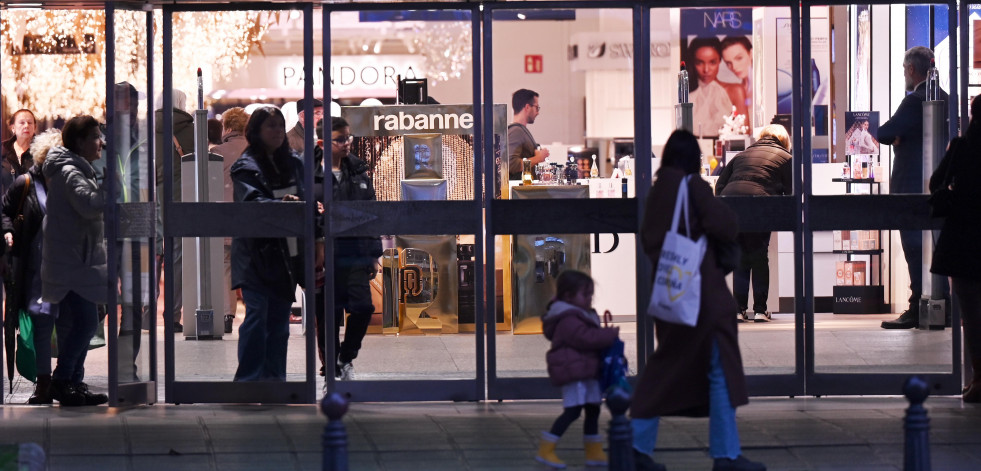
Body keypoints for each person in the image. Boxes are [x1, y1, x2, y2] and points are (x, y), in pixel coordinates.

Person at [632, 130, 764, 471]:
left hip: (672, 292)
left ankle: (636, 446)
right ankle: (726, 456)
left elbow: (650, 237)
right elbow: (726, 223)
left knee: (666, 366)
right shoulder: (691, 187)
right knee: (720, 372)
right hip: (703, 296)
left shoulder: (658, 190)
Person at [230, 106, 305, 381]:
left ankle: (275, 382)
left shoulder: (294, 163)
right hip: (256, 255)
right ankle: (248, 383)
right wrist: (283, 204)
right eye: (269, 126)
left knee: (279, 323)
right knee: (257, 317)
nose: (276, 131)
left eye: (279, 125)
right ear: (256, 131)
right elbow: (253, 205)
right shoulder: (246, 165)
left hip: (288, 253)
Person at [877, 46, 949, 329]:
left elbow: (883, 132)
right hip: (939, 186)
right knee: (937, 246)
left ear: (910, 69)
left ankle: (917, 305)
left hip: (910, 186)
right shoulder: (947, 98)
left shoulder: (914, 101)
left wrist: (898, 140)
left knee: (913, 246)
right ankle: (945, 305)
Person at [40, 115, 109, 407]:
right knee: (85, 322)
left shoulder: (76, 169)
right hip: (73, 263)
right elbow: (90, 205)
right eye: (94, 137)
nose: (100, 143)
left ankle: (73, 383)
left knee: (84, 322)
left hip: (76, 260)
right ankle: (63, 379)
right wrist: (111, 187)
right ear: (79, 142)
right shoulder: (70, 172)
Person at [317, 116, 382, 380]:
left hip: (354, 252)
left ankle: (345, 357)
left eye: (349, 138)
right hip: (323, 255)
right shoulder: (309, 174)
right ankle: (330, 370)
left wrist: (372, 255)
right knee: (328, 316)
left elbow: (371, 215)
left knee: (363, 307)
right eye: (340, 139)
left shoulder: (358, 172)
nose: (347, 144)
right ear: (323, 143)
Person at [535, 270, 619, 469]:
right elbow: (585, 338)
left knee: (593, 409)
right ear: (568, 296)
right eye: (585, 295)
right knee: (572, 411)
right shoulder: (567, 318)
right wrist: (608, 335)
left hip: (586, 371)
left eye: (591, 295)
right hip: (574, 372)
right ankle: (546, 449)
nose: (590, 299)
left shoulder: (581, 314)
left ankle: (594, 452)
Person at [1, 129, 60, 404]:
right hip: (35, 264)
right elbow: (4, 211)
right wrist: (8, 231)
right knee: (41, 324)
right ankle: (44, 383)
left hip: (64, 262)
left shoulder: (67, 182)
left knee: (73, 322)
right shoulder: (25, 183)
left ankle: (66, 377)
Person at [930, 96, 981, 402]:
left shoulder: (962, 147)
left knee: (972, 315)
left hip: (964, 238)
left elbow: (936, 181)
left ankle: (979, 379)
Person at [715, 124, 793, 322]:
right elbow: (792, 192)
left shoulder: (741, 155)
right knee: (758, 257)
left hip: (732, 205)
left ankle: (738, 310)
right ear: (784, 140)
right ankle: (760, 310)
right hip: (760, 205)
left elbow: (720, 185)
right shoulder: (785, 158)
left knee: (740, 257)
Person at [154, 89, 194, 333]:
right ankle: (174, 315)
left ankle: (147, 313)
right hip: (181, 201)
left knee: (152, 256)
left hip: (151, 199)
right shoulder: (191, 129)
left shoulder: (144, 128)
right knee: (178, 258)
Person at [211, 107, 250, 334]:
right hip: (250, 221)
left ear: (226, 126)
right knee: (251, 266)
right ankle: (253, 311)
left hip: (224, 220)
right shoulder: (255, 151)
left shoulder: (216, 152)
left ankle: (227, 315)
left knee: (225, 266)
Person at [687, 38, 745, 139]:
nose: (706, 69)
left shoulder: (735, 90)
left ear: (720, 61)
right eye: (699, 62)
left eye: (712, 62)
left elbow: (744, 133)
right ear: (693, 63)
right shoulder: (689, 96)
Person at [508, 89, 550, 180]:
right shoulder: (516, 131)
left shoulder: (520, 130)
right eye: (536, 108)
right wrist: (539, 158)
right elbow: (511, 164)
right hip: (519, 192)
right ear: (527, 107)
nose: (538, 112)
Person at [721, 37, 753, 119]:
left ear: (751, 54)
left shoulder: (765, 88)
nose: (734, 67)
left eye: (739, 58)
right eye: (728, 63)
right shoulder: (737, 90)